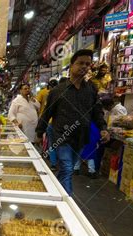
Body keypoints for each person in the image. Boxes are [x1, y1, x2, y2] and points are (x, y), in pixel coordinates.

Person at [36, 49, 110, 196]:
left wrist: (103, 128)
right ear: (71, 65)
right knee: (67, 168)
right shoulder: (58, 91)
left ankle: (53, 191)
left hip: (81, 137)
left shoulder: (90, 90)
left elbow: (97, 111)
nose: (84, 66)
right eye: (80, 63)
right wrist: (40, 132)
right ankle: (67, 200)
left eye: (87, 64)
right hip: (62, 137)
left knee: (65, 169)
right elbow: (47, 112)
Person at [37, 78, 59, 170]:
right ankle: (59, 162)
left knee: (51, 143)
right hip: (57, 123)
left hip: (49, 122)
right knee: (60, 143)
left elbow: (39, 106)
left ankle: (53, 162)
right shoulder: (61, 93)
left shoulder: (44, 92)